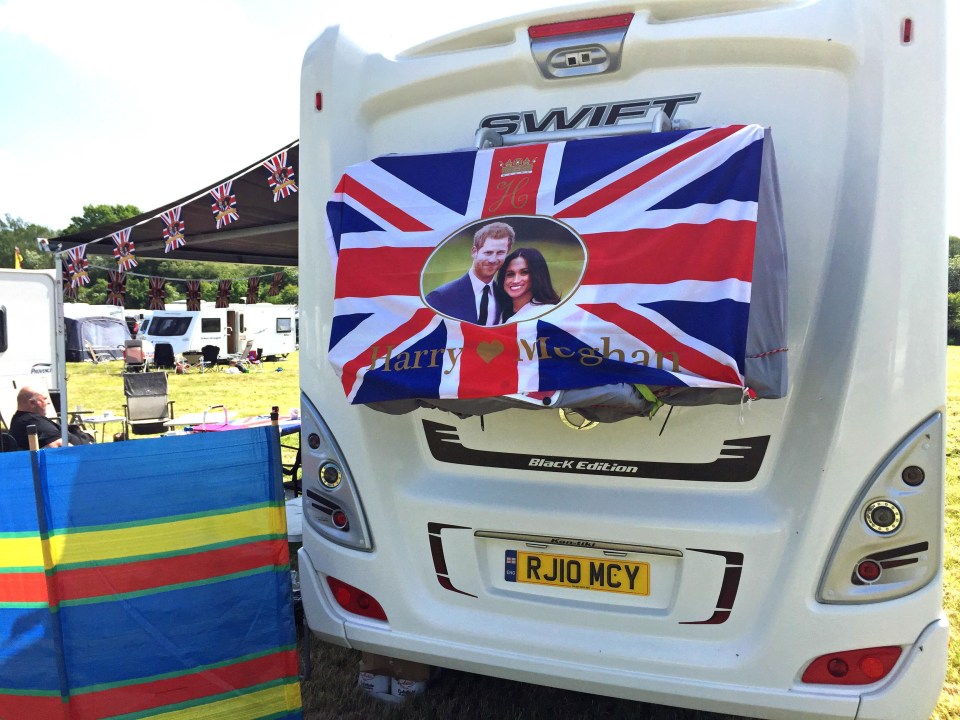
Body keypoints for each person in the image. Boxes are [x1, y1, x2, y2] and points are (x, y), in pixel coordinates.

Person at [425, 221, 514, 325]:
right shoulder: (441, 297)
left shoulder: (505, 298)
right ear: (474, 251)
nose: (493, 260)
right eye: (488, 252)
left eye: (500, 253)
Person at [8, 386, 94, 449]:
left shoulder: (28, 419)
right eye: (44, 399)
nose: (48, 402)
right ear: (32, 403)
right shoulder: (31, 421)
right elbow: (57, 446)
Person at [495, 247, 561, 323]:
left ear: (537, 275)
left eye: (524, 272)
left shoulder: (550, 314)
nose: (516, 280)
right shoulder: (498, 314)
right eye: (510, 274)